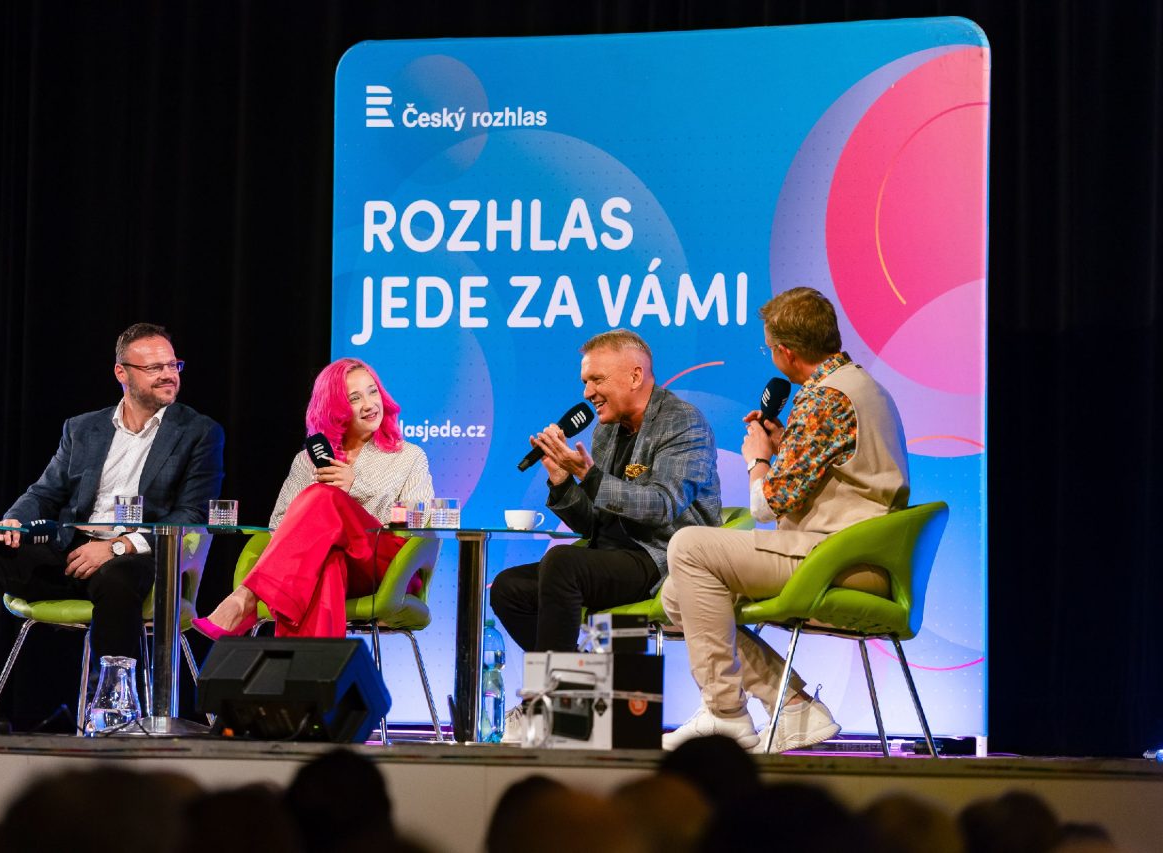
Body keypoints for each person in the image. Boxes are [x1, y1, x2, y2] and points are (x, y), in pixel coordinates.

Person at [662, 287, 909, 752]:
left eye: (769, 348)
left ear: (785, 353)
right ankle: (792, 705)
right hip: (862, 555)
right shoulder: (862, 386)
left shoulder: (822, 400)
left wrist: (758, 458)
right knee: (679, 593)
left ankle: (725, 714)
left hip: (837, 558)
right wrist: (785, 449)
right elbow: (833, 470)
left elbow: (765, 505)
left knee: (688, 547)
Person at [0, 323, 225, 718]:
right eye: (154, 367)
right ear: (122, 373)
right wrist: (14, 521)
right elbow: (45, 492)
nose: (168, 375)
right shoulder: (83, 428)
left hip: (140, 555)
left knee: (117, 577)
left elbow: (192, 513)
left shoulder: (199, 432)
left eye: (173, 365)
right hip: (71, 549)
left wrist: (117, 546)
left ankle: (108, 707)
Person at [489, 329, 721, 722]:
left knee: (563, 563)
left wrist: (589, 475)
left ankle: (554, 705)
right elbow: (592, 524)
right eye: (585, 381)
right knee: (509, 588)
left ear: (635, 375)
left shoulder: (681, 422)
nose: (587, 393)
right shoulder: (606, 430)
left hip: (660, 556)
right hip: (609, 556)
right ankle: (581, 690)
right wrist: (562, 480)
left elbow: (662, 505)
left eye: (597, 380)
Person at [194, 357, 433, 639]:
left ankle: (246, 597)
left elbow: (419, 523)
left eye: (373, 392)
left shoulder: (409, 456)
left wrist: (354, 488)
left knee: (323, 495)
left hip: (386, 566)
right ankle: (312, 667)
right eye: (355, 398)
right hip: (334, 567)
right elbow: (278, 524)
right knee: (327, 562)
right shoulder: (308, 461)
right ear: (335, 408)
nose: (369, 404)